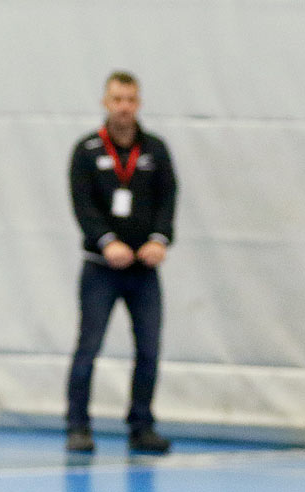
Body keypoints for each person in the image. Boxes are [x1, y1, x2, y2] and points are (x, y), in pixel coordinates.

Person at [65, 70, 178, 455]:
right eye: (117, 100)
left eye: (130, 100)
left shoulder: (155, 150)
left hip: (143, 271)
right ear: (105, 103)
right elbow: (82, 204)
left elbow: (168, 199)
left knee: (148, 348)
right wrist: (107, 241)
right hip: (101, 269)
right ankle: (78, 425)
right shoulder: (87, 150)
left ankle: (141, 425)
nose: (124, 107)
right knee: (89, 346)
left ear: (138, 103)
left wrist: (159, 240)